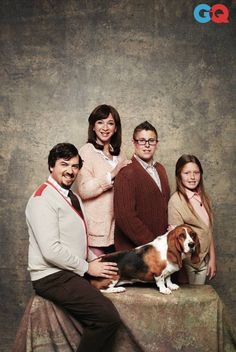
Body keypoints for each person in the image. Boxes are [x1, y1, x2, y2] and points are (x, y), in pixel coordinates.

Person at [26, 143, 121, 352]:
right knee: (107, 317)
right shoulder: (42, 199)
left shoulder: (73, 197)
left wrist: (93, 259)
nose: (70, 170)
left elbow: (77, 240)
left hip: (68, 270)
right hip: (51, 276)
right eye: (64, 164)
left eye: (75, 166)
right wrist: (88, 268)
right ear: (52, 166)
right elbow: (50, 250)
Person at [76, 104, 131, 256]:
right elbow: (84, 190)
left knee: (117, 277)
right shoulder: (86, 151)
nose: (105, 127)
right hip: (96, 230)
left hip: (119, 230)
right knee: (100, 276)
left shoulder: (120, 154)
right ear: (93, 126)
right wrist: (112, 173)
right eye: (100, 122)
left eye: (110, 123)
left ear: (116, 128)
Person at [114, 121, 170, 250]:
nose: (147, 145)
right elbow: (125, 218)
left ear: (157, 144)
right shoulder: (126, 173)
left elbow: (164, 207)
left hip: (161, 246)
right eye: (142, 141)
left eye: (151, 141)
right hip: (138, 251)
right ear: (133, 143)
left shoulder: (160, 169)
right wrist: (153, 244)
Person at [168, 154, 217, 284]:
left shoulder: (204, 198)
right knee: (189, 300)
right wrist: (182, 268)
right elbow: (177, 240)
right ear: (179, 175)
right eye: (187, 173)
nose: (192, 177)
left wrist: (212, 258)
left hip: (203, 261)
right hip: (187, 263)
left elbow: (208, 231)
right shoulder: (176, 201)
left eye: (196, 172)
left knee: (200, 298)